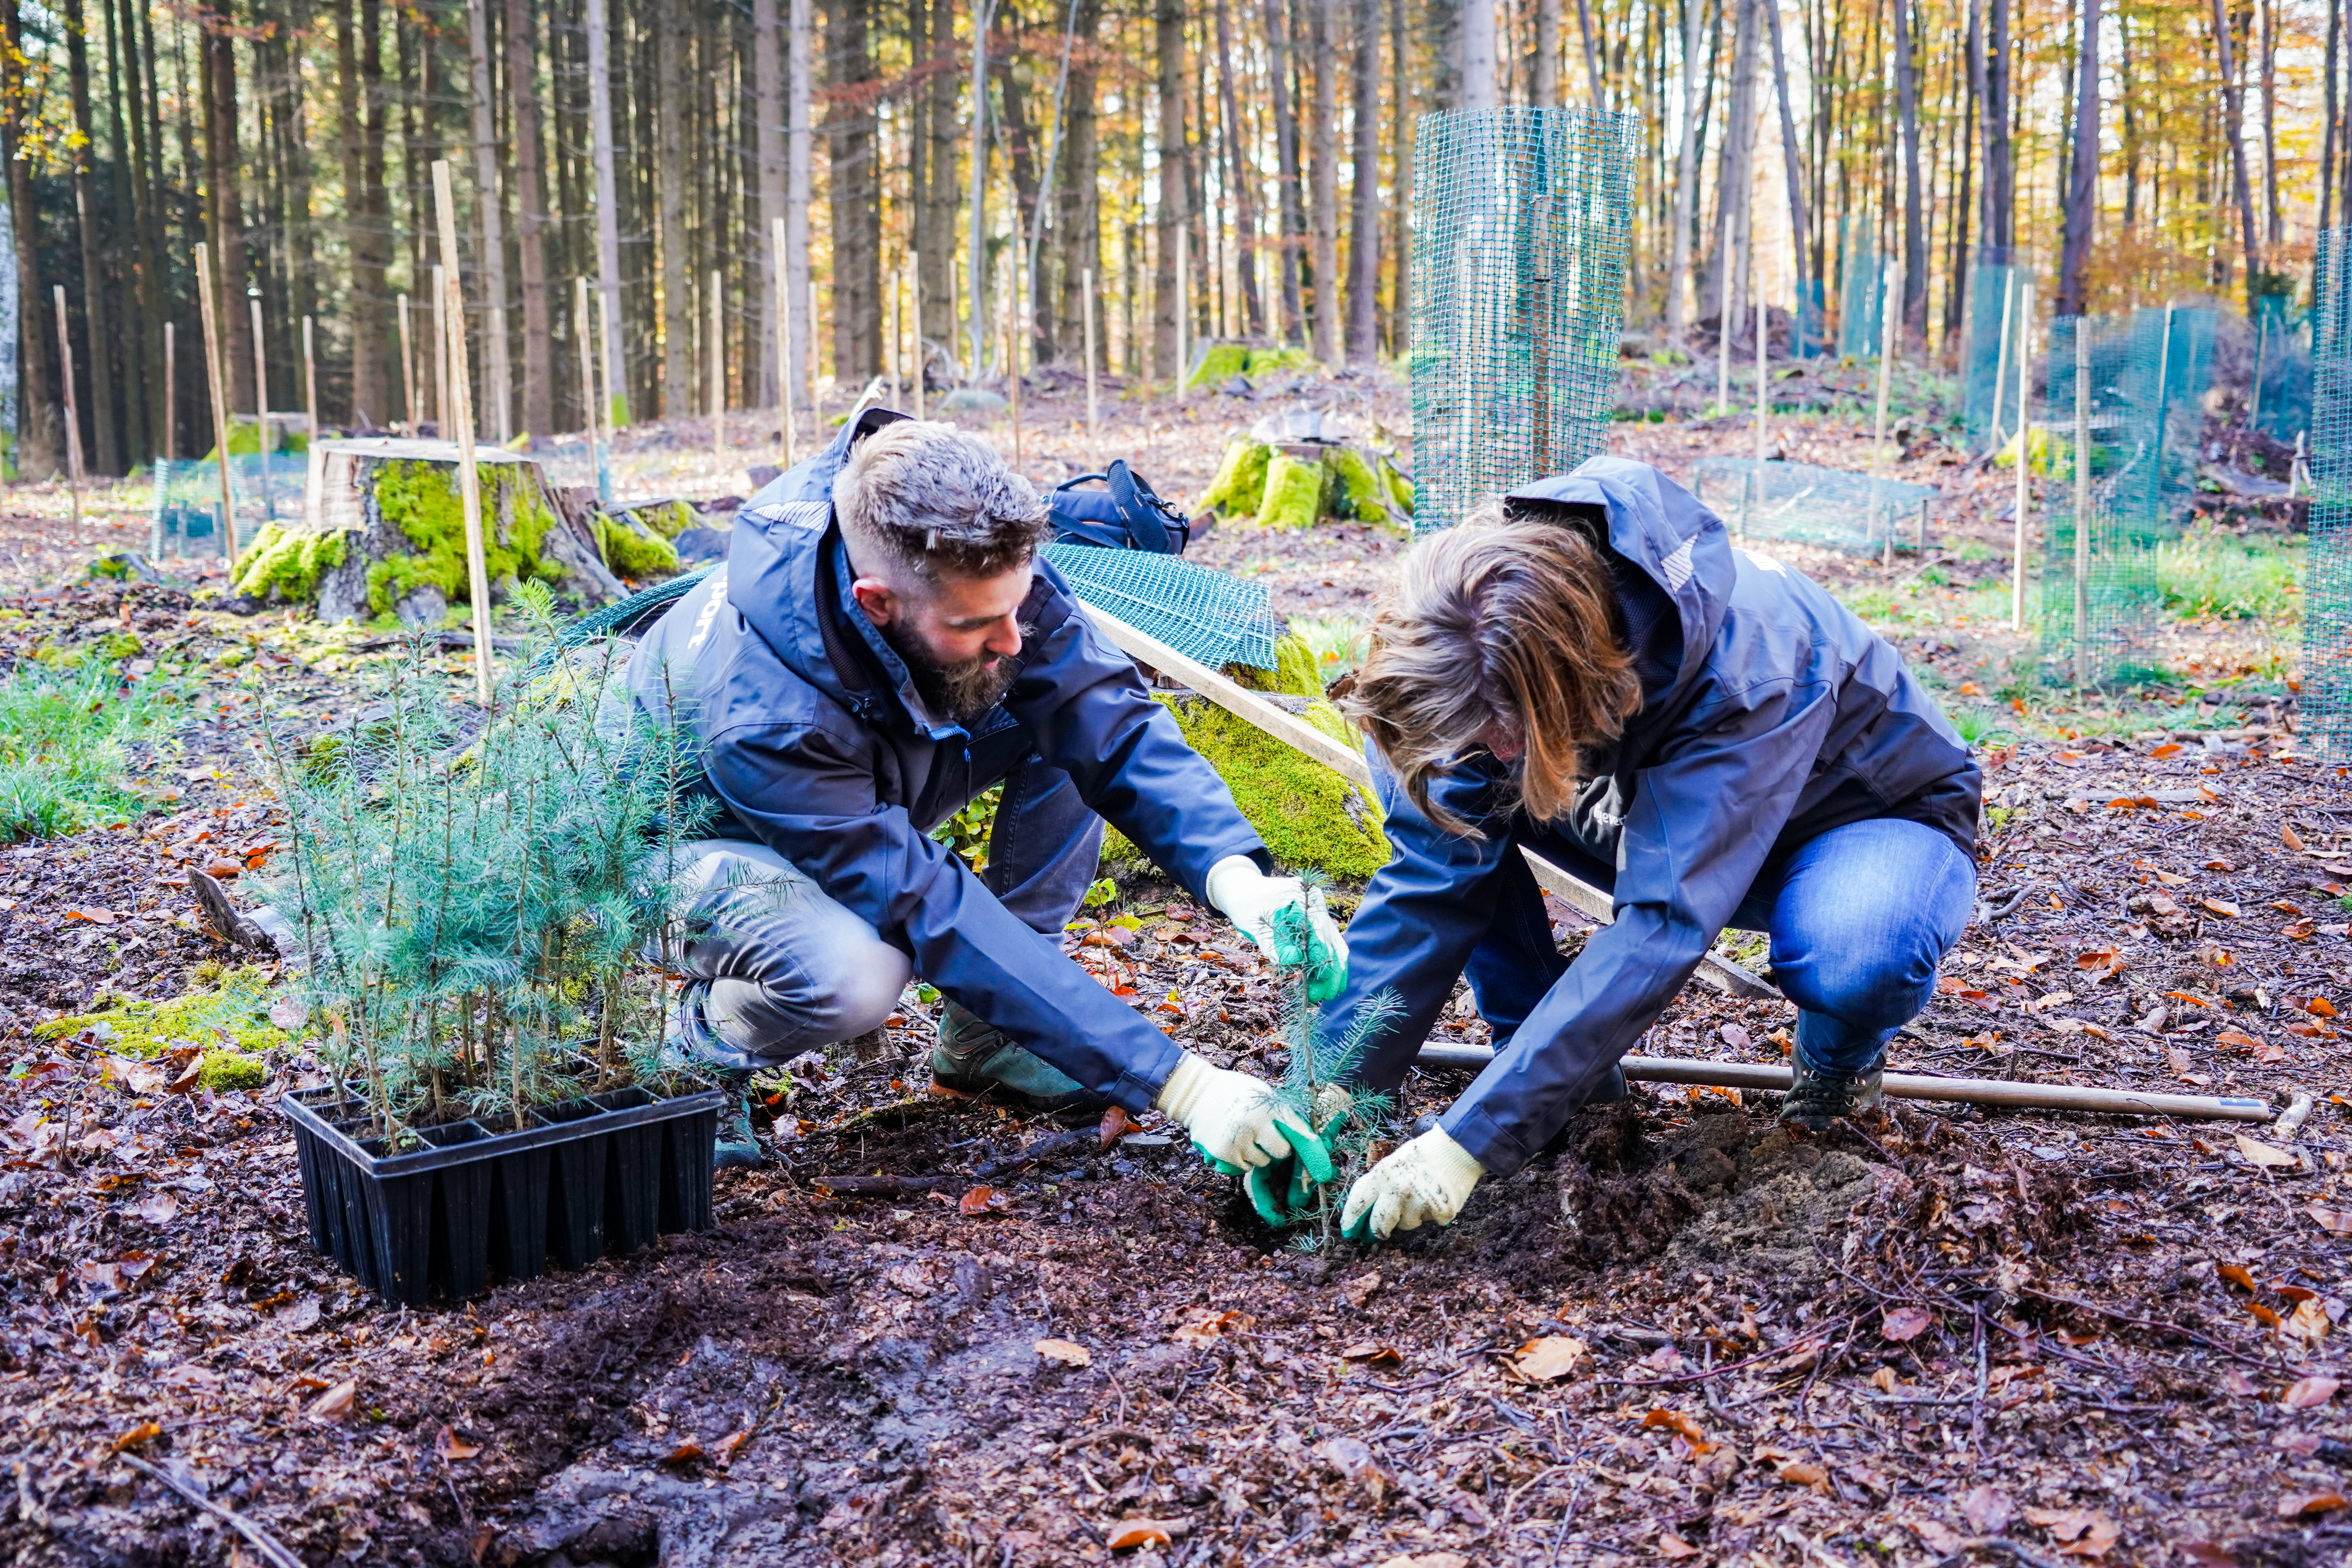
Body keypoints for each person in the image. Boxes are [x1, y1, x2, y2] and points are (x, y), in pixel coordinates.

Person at [626, 410, 1349, 1176]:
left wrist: (1237, 877)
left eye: (1019, 602)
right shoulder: (765, 715)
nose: (1014, 636)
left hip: (866, 762)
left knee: (1045, 703)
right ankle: (696, 1053)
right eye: (980, 621)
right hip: (691, 838)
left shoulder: (969, 552)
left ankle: (991, 1035)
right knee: (852, 972)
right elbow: (926, 907)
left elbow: (1105, 714)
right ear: (876, 603)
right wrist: (1186, 1086)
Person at [1321, 456, 1981, 1242]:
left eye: (1499, 734)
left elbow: (1662, 921)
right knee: (1453, 805)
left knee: (1860, 952)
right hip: (1646, 804)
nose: (1485, 750)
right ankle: (1568, 1090)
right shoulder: (1474, 647)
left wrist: (1468, 1143)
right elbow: (1435, 876)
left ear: (1563, 684)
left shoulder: (1748, 670)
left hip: (1850, 822)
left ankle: (1836, 1065)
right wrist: (1333, 1086)